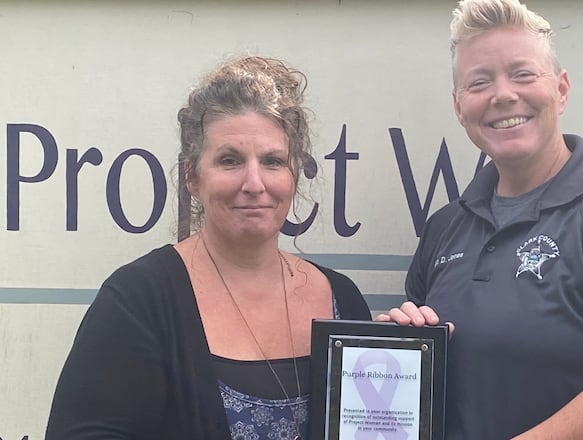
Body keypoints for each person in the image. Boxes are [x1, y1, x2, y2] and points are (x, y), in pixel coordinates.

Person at [377, 1, 583, 439]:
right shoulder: (446, 226)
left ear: (561, 90)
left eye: (523, 74)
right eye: (479, 82)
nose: (503, 95)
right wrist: (398, 356)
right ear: (458, 106)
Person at [45, 55, 371, 440]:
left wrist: (413, 353)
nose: (254, 183)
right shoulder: (139, 300)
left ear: (294, 174)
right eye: (230, 160)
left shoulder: (343, 301)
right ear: (192, 177)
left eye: (272, 161)